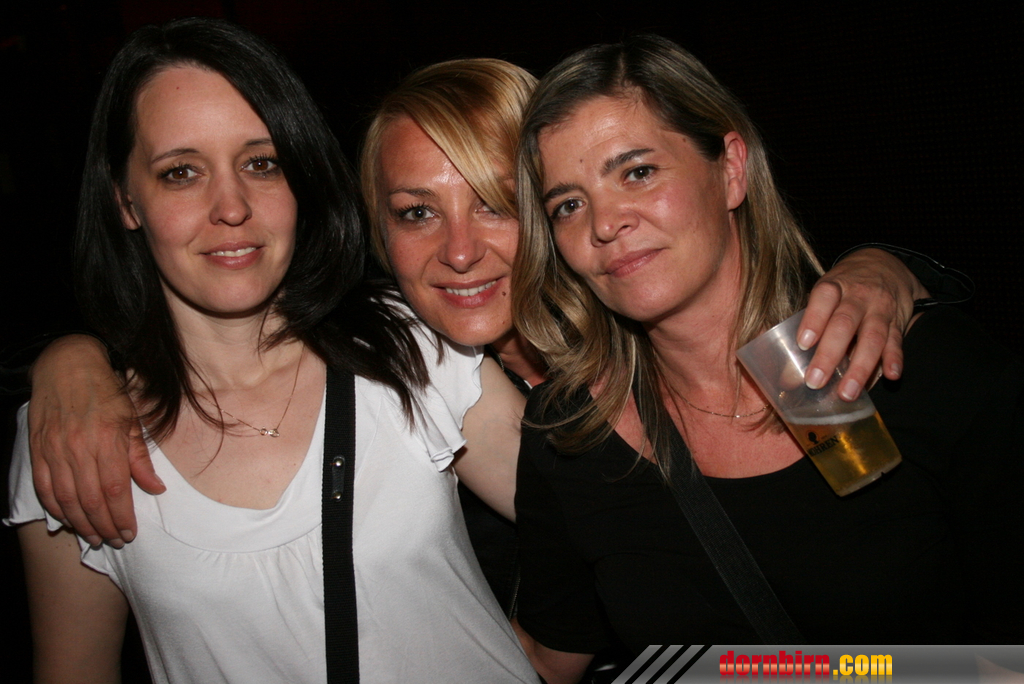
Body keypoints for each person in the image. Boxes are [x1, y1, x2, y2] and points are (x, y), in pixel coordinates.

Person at [5, 18, 539, 684]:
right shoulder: (72, 438)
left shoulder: (405, 344)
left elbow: (603, 522)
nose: (231, 207)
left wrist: (556, 649)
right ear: (126, 199)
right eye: (181, 173)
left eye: (261, 163)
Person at [510, 34, 1023, 683]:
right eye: (568, 205)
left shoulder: (916, 373)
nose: (604, 224)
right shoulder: (570, 432)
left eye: (638, 172)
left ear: (731, 169)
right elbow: (551, 657)